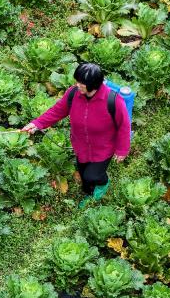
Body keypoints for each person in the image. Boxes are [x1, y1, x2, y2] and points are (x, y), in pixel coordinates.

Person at [21, 63, 131, 207]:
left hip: (103, 148)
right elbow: (57, 111)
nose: (77, 85)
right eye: (77, 81)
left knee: (92, 175)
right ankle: (89, 191)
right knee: (83, 172)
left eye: (81, 83)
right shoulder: (74, 93)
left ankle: (102, 183)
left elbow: (124, 126)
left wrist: (122, 150)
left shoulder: (113, 101)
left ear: (93, 85)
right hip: (80, 145)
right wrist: (37, 124)